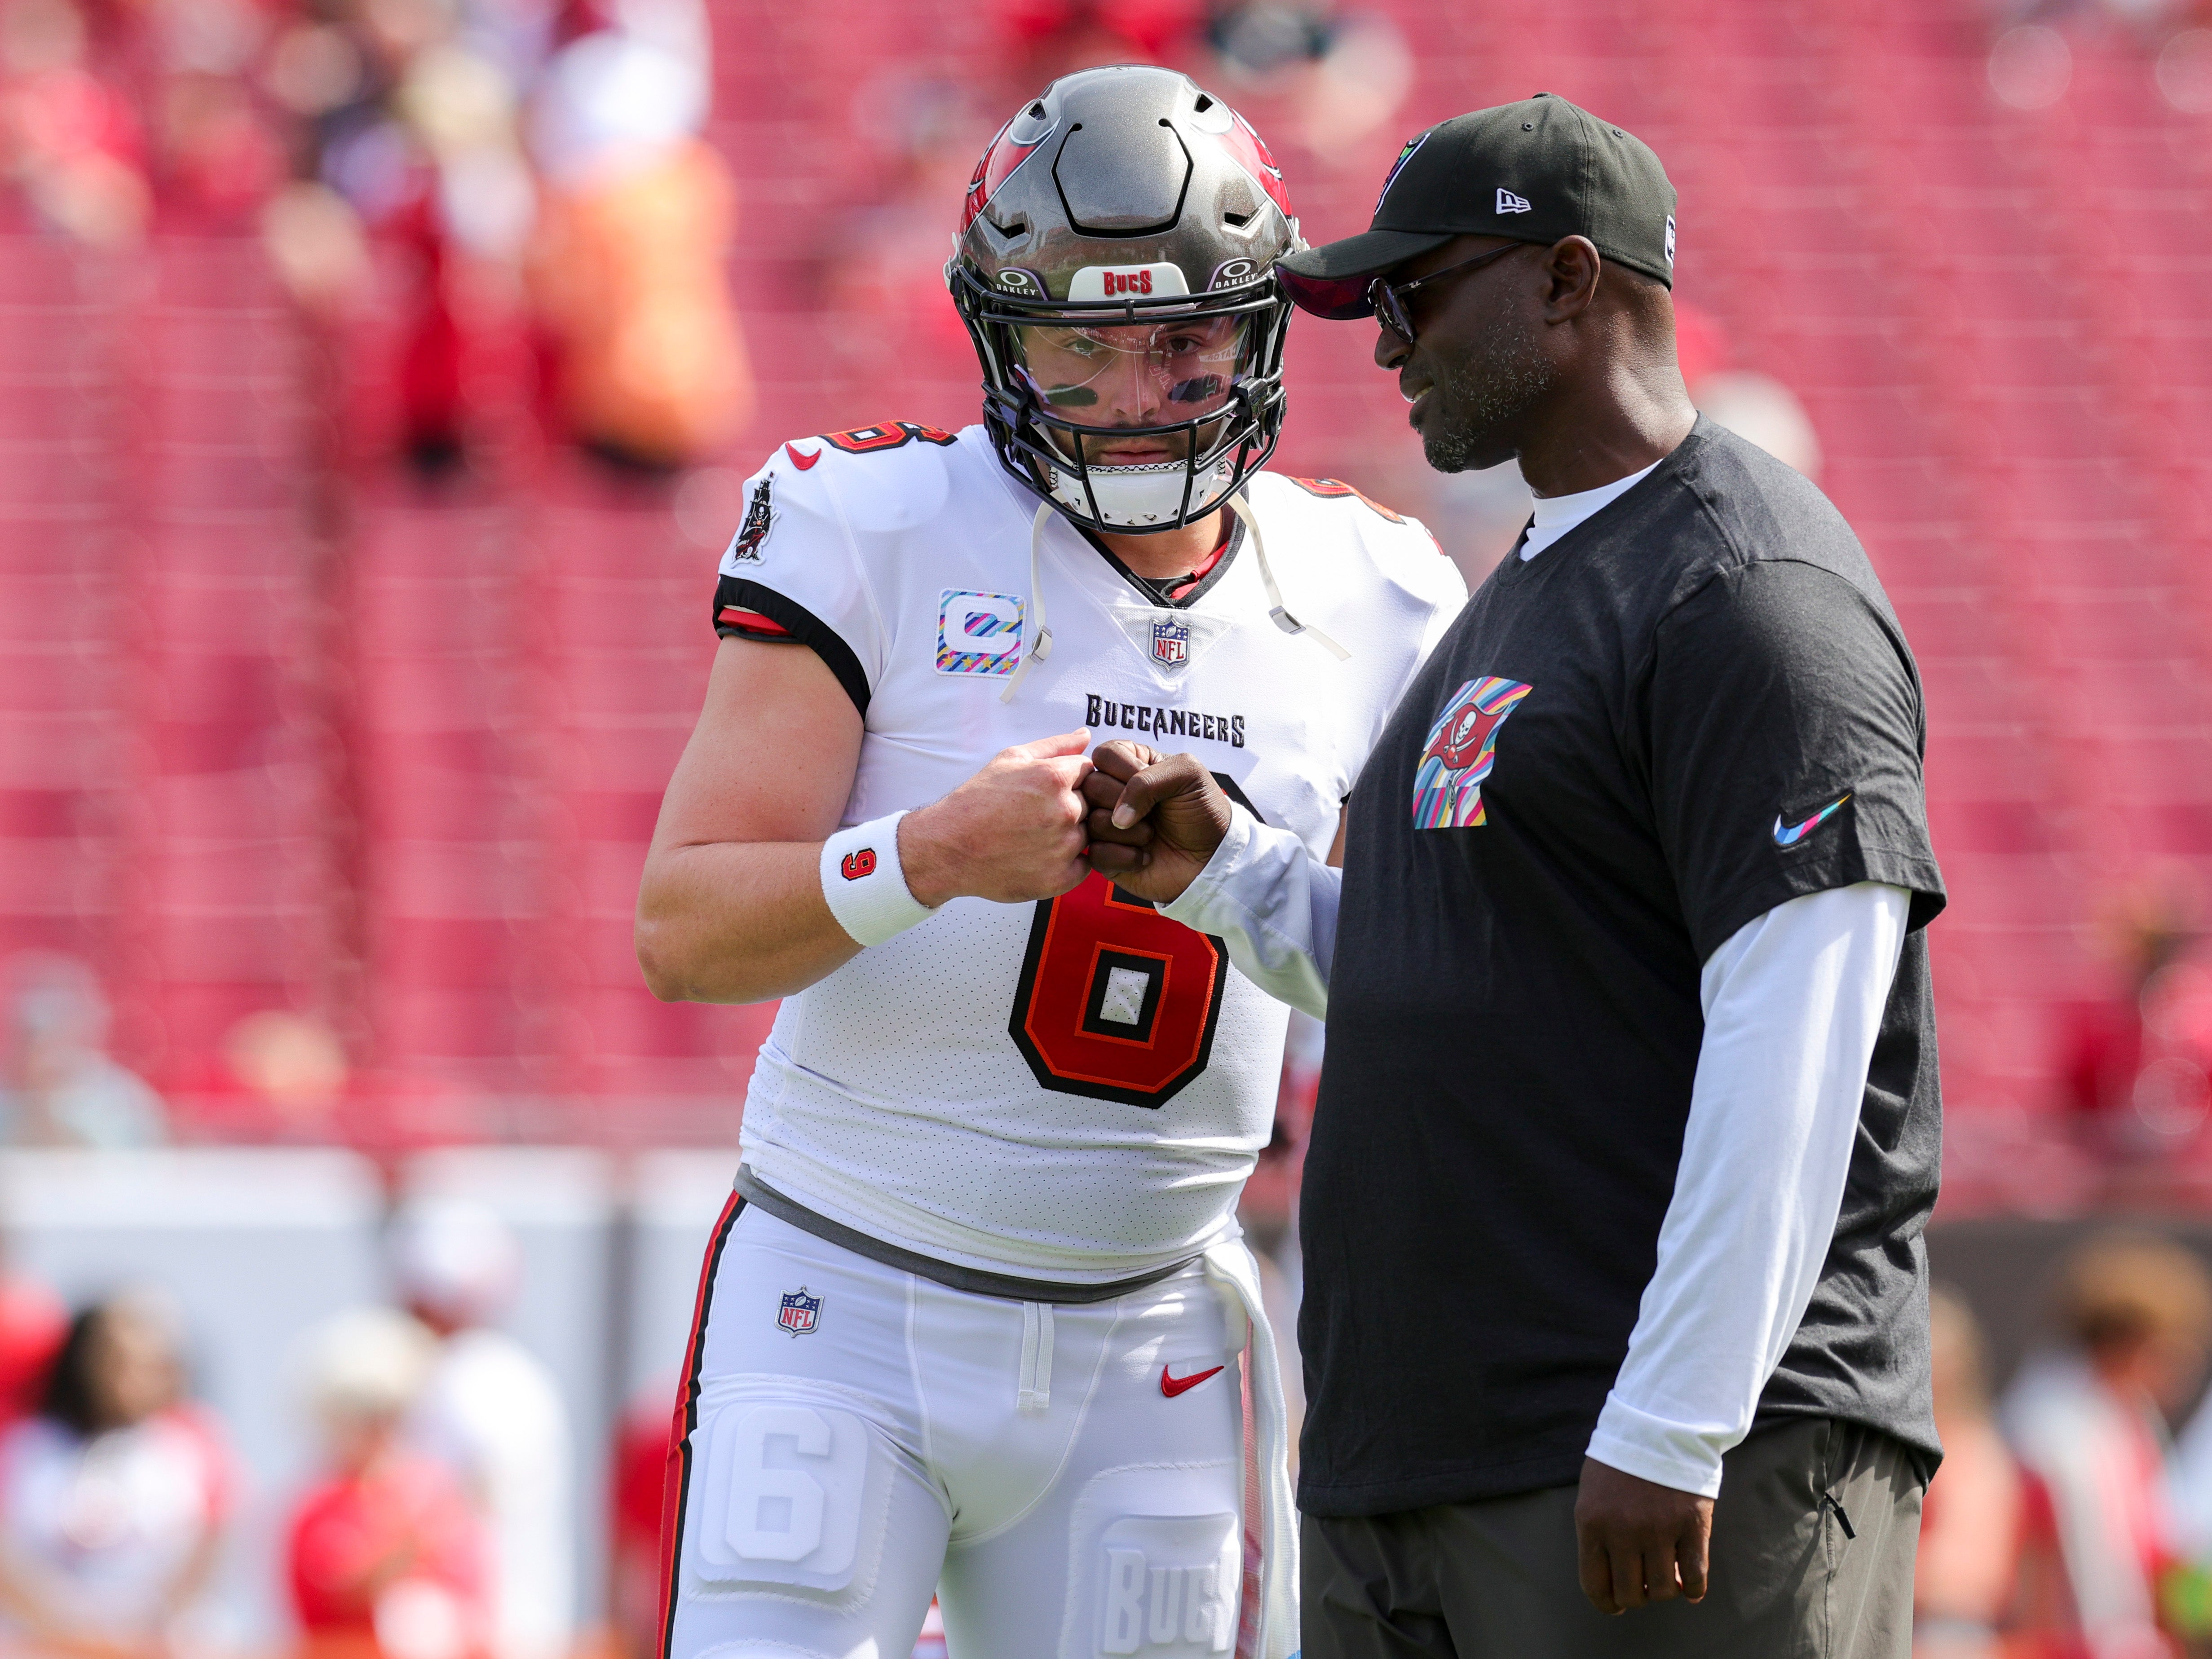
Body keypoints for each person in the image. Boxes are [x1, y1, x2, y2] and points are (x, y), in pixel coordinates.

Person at [1083, 93, 1947, 1656]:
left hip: (1651, 1474)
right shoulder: (1528, 591)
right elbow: (1471, 969)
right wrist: (1230, 873)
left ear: (1564, 280)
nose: (1388, 346)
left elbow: (1799, 1033)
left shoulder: (1752, 595)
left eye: (1414, 295)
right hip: (1430, 1469)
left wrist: (1675, 1422)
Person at [634, 63, 1464, 1659]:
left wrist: (1235, 873)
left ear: (1262, 323)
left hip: (1152, 1325)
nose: (1140, 390)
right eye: (1081, 341)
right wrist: (927, 855)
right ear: (1001, 334)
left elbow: (1435, 978)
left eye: (1181, 338)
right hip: (844, 1292)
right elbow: (683, 927)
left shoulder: (1373, 588)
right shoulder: (868, 522)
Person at [2007, 1232, 2212, 1659]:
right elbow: (2050, 1583)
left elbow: (2159, 1550)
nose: (2184, 1363)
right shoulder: (2052, 1433)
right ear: (2126, 1344)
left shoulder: (2132, 1420)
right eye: (2169, 1347)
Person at [391, 1198, 574, 1659]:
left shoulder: (458, 1377)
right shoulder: (521, 1375)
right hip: (531, 1624)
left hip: (477, 1631)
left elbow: (455, 1514)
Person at [0, 1293, 230, 1656]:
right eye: (117, 1362)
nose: (130, 1380)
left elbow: (211, 1542)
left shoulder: (190, 1441)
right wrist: (67, 1631)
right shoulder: (30, 1443)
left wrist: (143, 1629)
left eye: (148, 1366)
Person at [288, 1306, 489, 1659]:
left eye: (392, 1415)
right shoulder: (319, 1505)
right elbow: (332, 1591)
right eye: (367, 1417)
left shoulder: (431, 1488)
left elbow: (470, 1587)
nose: (382, 1431)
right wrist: (404, 1550)